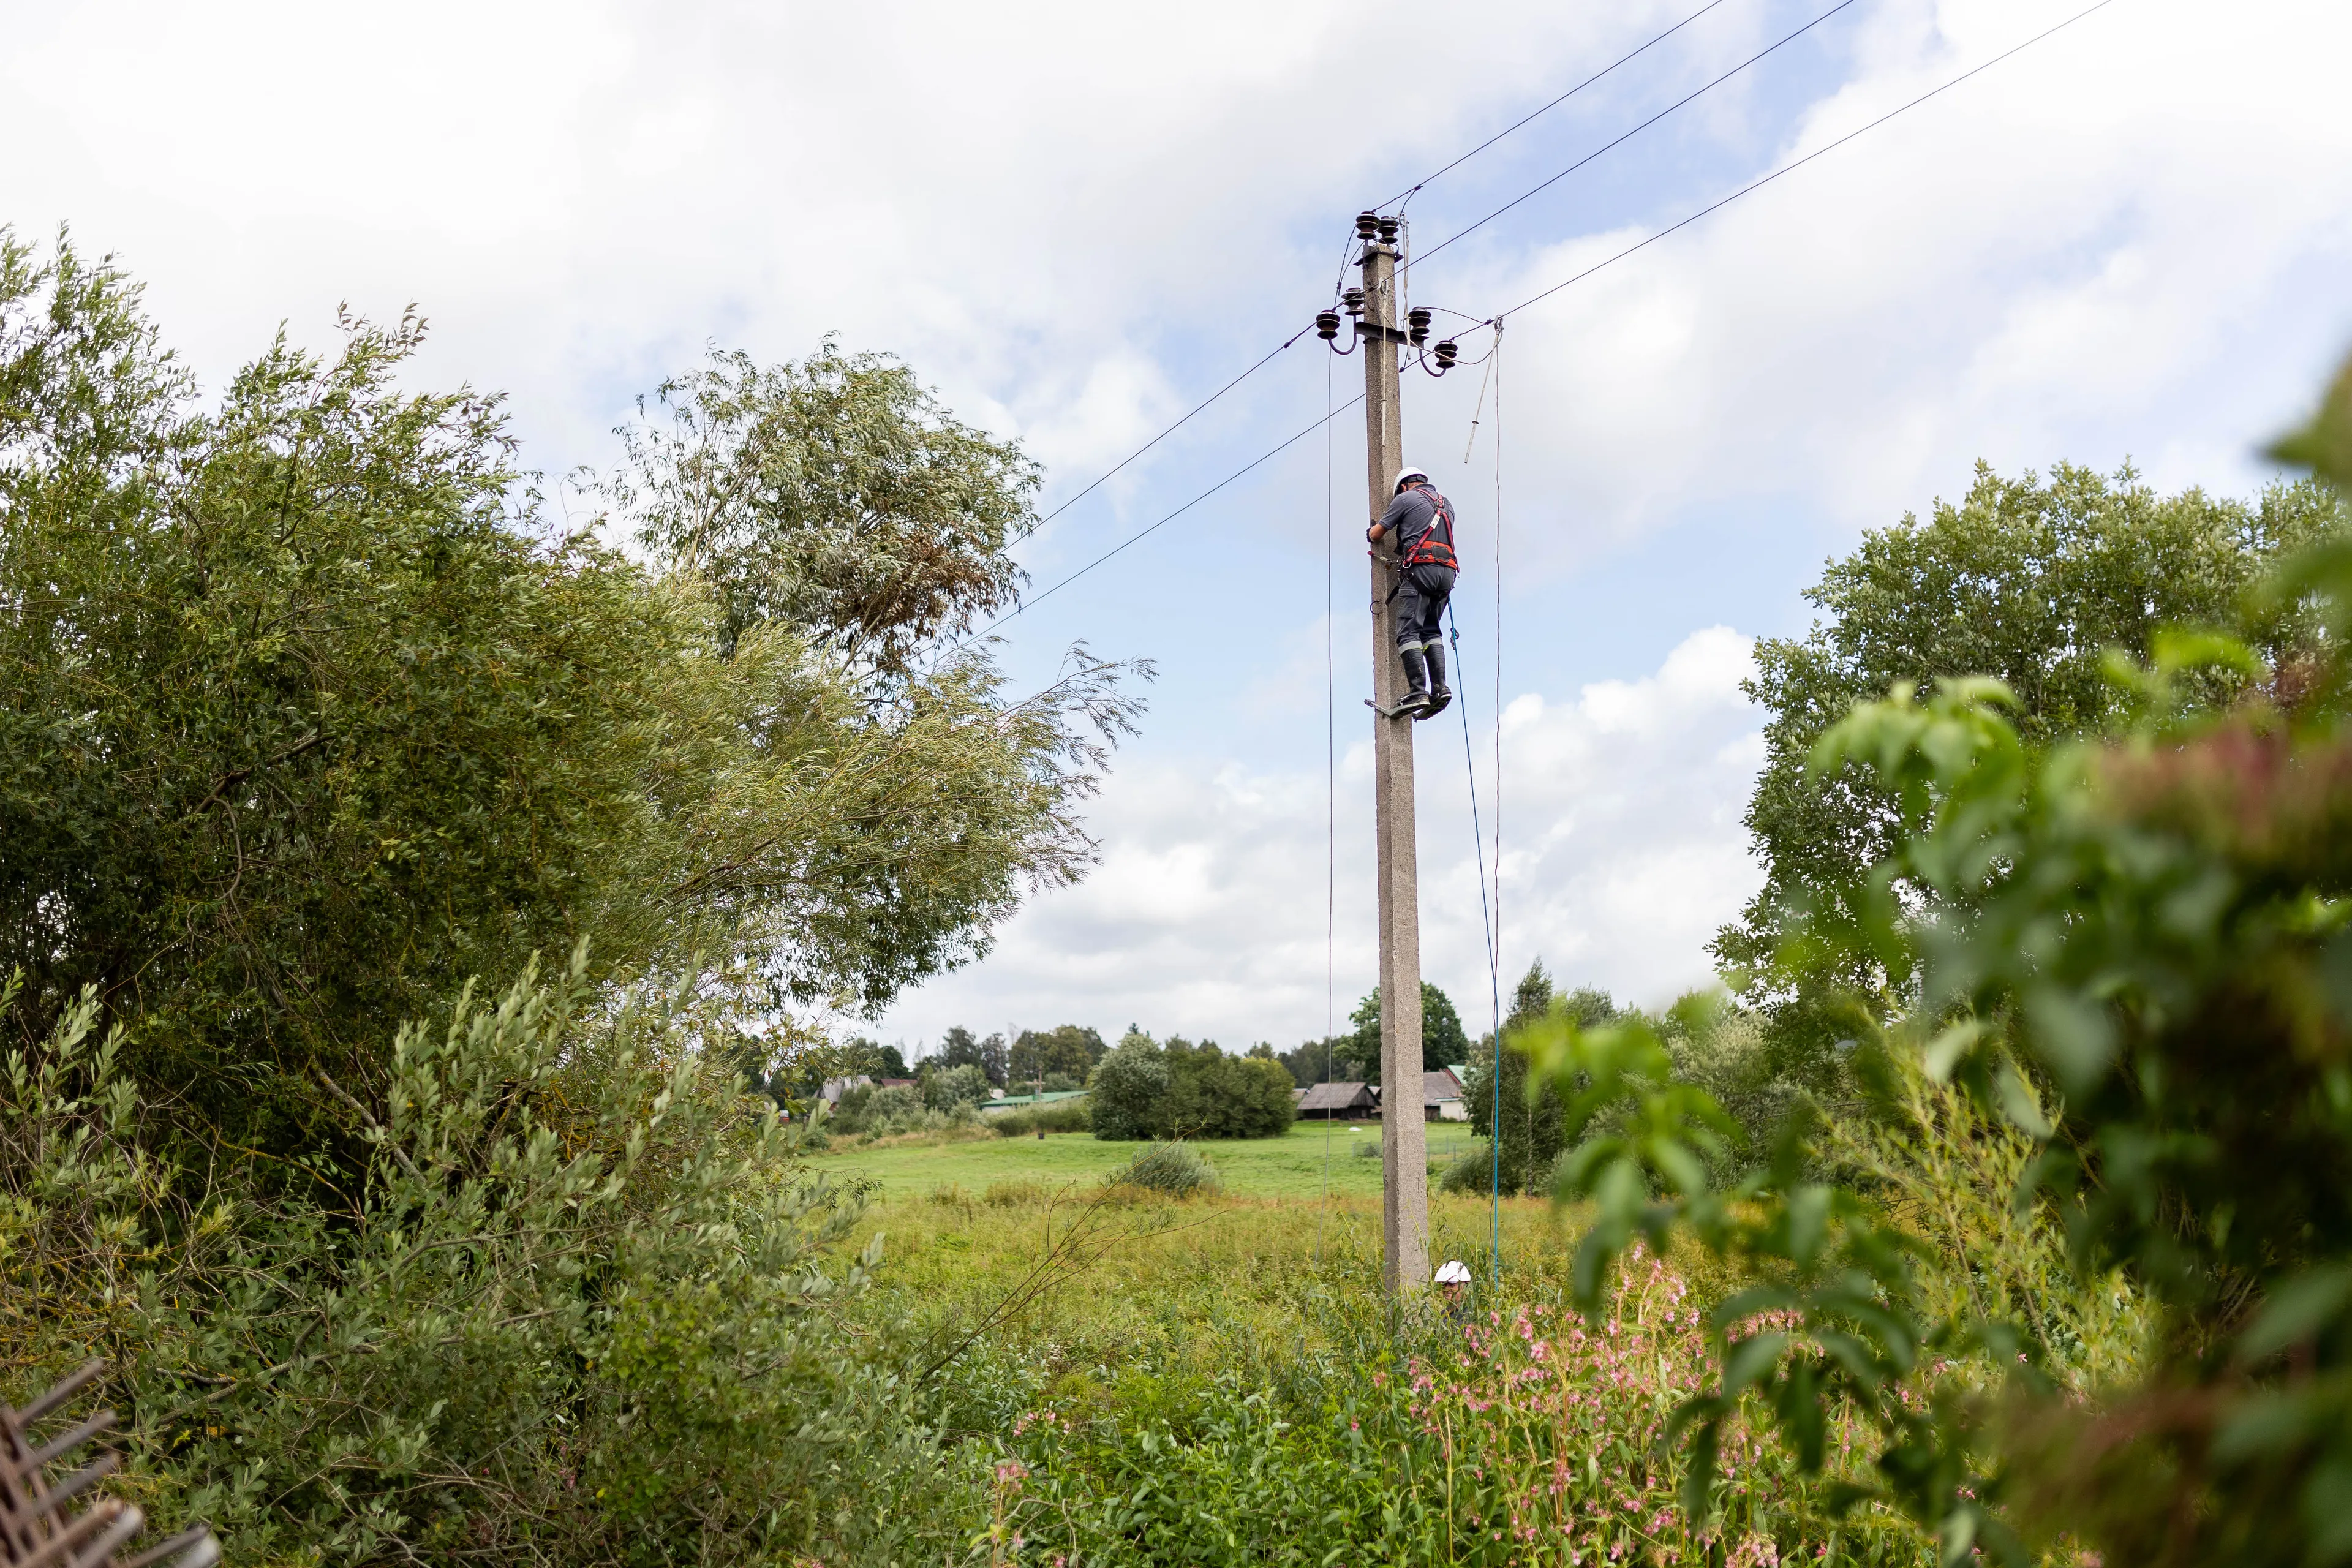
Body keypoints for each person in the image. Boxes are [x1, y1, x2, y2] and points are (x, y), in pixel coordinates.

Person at [1366, 465, 1459, 717]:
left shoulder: (1405, 499)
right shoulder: (1446, 504)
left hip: (1421, 571)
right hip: (1447, 574)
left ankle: (1418, 692)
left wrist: (1371, 531)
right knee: (1431, 630)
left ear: (1404, 486)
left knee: (1408, 632)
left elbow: (1377, 534)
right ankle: (1440, 688)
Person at [1434, 1257, 1473, 1322]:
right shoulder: (1443, 1314)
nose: (1447, 1289)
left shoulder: (1472, 1314)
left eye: (1452, 1284)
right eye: (1445, 1284)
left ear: (1465, 1285)